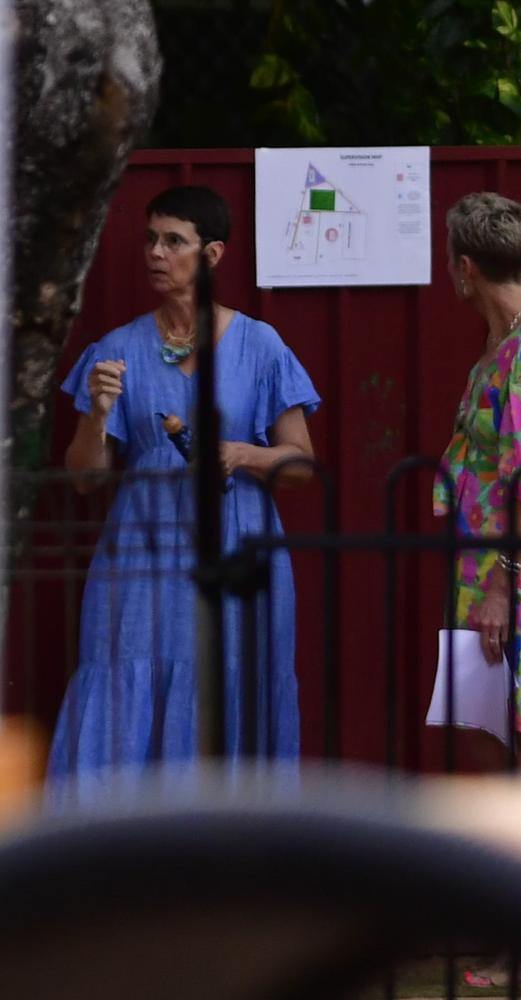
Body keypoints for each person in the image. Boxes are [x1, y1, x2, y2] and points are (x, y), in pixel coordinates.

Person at [47, 185, 321, 803]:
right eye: (150, 238)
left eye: (174, 241)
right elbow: (86, 477)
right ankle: (111, 851)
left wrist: (241, 453)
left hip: (237, 551)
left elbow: (302, 465)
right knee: (123, 680)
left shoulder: (260, 345)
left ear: (213, 254)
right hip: (141, 552)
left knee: (233, 682)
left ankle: (234, 851)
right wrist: (96, 413)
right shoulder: (117, 349)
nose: (155, 253)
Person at [433, 191, 521, 988]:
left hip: (520, 578)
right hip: (481, 575)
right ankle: (515, 927)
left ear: (464, 267)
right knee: (489, 745)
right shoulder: (499, 349)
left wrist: (501, 584)